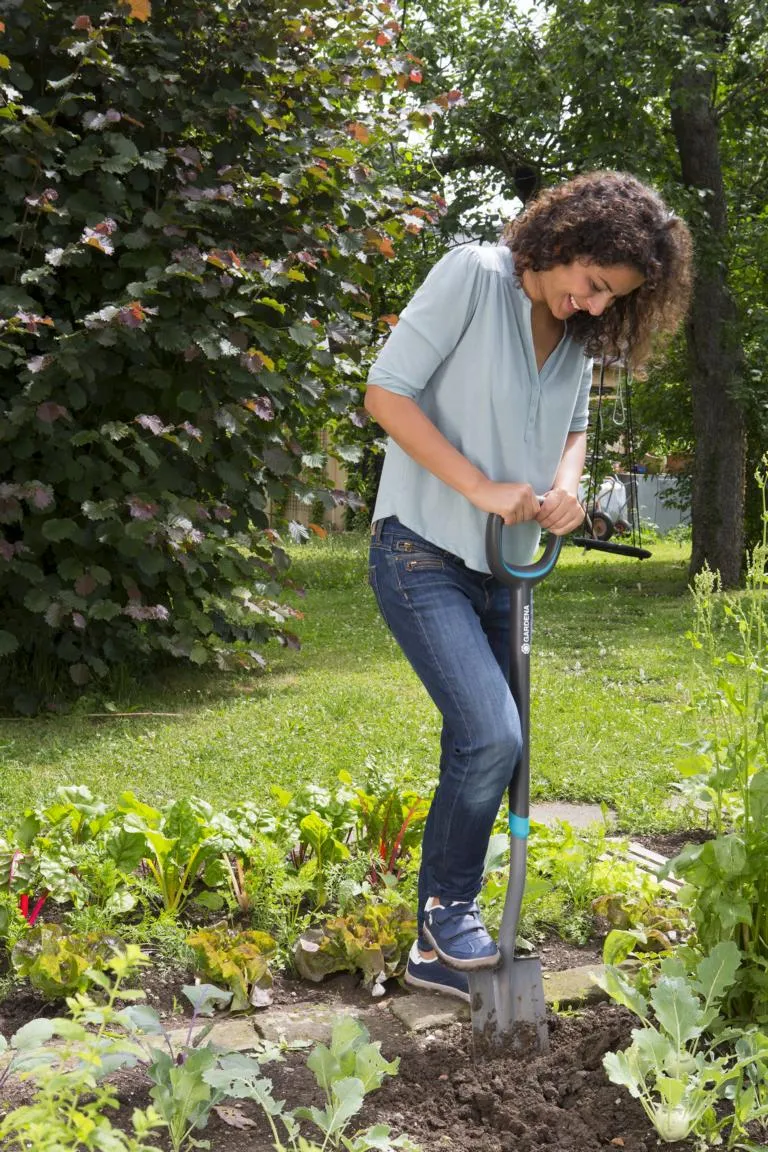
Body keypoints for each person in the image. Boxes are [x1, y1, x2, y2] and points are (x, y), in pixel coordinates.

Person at [364, 171, 693, 1001]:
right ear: (566, 239)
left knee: (490, 744)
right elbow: (386, 394)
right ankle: (448, 913)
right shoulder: (474, 276)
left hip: (508, 567)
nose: (594, 304)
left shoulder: (579, 335)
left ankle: (436, 941)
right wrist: (480, 487)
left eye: (612, 298)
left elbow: (574, 429)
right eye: (593, 281)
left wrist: (567, 488)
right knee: (490, 736)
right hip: (422, 548)